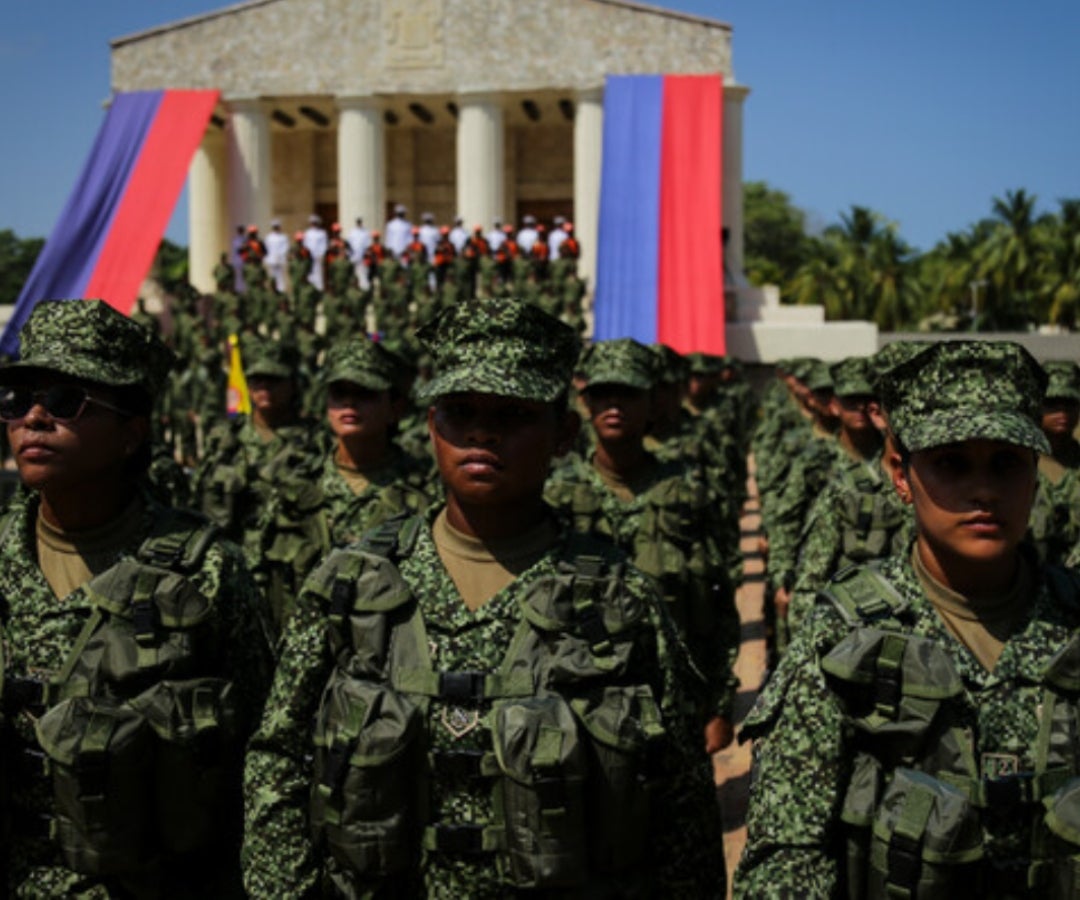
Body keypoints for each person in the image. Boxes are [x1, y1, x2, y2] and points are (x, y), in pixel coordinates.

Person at [242, 298, 726, 897]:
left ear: (563, 433)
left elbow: (682, 809)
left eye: (513, 413)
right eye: (459, 410)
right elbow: (277, 761)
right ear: (430, 426)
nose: (481, 431)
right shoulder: (350, 584)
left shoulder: (619, 601)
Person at [736, 340, 1080, 899]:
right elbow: (787, 855)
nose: (984, 491)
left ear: (1036, 473)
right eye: (951, 463)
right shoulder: (844, 635)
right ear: (900, 473)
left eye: (1007, 462)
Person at [0, 298, 272, 897]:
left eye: (67, 401)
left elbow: (262, 764)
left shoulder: (205, 573)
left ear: (131, 432)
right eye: (17, 401)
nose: (35, 418)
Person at [251, 335, 434, 639]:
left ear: (395, 407)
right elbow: (264, 588)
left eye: (365, 393)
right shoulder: (294, 493)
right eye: (339, 393)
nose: (349, 403)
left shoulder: (423, 494)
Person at [303, 214, 328, 292]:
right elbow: (305, 244)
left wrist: (321, 254)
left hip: (318, 257)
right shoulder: (307, 233)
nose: (313, 224)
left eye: (315, 223)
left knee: (318, 274)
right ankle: (311, 290)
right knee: (310, 274)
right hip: (309, 257)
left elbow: (324, 245)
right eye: (312, 223)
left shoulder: (322, 233)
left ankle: (319, 290)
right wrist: (307, 254)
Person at [264, 219, 290, 293]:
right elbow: (267, 248)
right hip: (271, 259)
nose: (276, 228)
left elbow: (286, 247)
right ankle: (273, 290)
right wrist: (271, 255)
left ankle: (281, 290)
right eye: (274, 227)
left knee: (280, 276)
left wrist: (280, 254)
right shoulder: (269, 237)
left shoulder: (284, 237)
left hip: (280, 259)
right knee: (272, 276)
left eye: (277, 227)